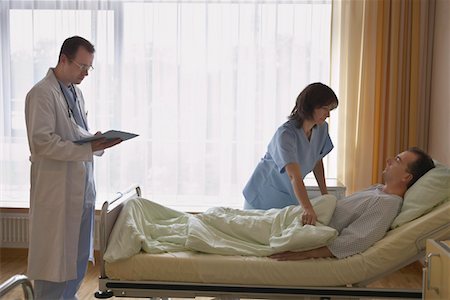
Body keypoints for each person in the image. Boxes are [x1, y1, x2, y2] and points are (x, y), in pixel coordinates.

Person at [25, 36, 122, 299]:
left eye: (89, 68)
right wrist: (87, 147)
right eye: (81, 66)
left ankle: (69, 296)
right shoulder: (41, 93)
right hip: (56, 192)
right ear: (63, 59)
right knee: (54, 260)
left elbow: (75, 132)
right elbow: (42, 143)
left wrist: (96, 139)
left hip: (80, 189)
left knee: (77, 256)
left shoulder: (75, 92)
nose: (85, 74)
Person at [269, 147, 435, 261]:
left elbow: (355, 240)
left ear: (406, 177)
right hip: (294, 218)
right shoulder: (378, 190)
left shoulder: (387, 204)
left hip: (304, 227)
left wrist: (305, 254)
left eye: (397, 160)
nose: (389, 160)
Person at [243, 82, 339, 226]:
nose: (328, 115)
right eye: (325, 109)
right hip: (262, 196)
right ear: (310, 105)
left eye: (330, 109)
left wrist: (325, 195)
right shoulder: (286, 134)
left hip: (288, 196)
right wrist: (307, 207)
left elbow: (317, 160)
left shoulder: (321, 129)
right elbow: (293, 175)